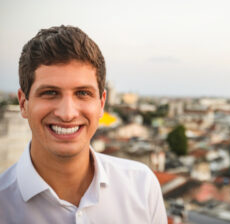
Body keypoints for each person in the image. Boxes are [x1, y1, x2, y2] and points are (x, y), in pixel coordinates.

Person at [0, 25, 167, 223]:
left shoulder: (141, 187)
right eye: (50, 93)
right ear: (23, 103)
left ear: (101, 103)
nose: (67, 113)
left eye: (82, 93)